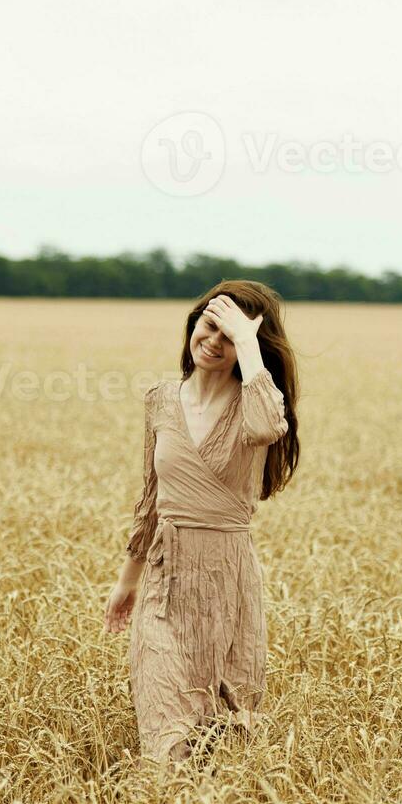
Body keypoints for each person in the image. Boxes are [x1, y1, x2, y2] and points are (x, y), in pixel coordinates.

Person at [103, 280, 300, 765]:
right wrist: (127, 582)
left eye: (229, 336)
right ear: (193, 324)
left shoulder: (253, 402)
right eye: (209, 326)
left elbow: (267, 427)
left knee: (226, 735)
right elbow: (151, 498)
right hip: (165, 582)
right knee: (165, 727)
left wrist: (250, 341)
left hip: (227, 582)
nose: (213, 341)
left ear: (248, 348)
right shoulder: (160, 400)